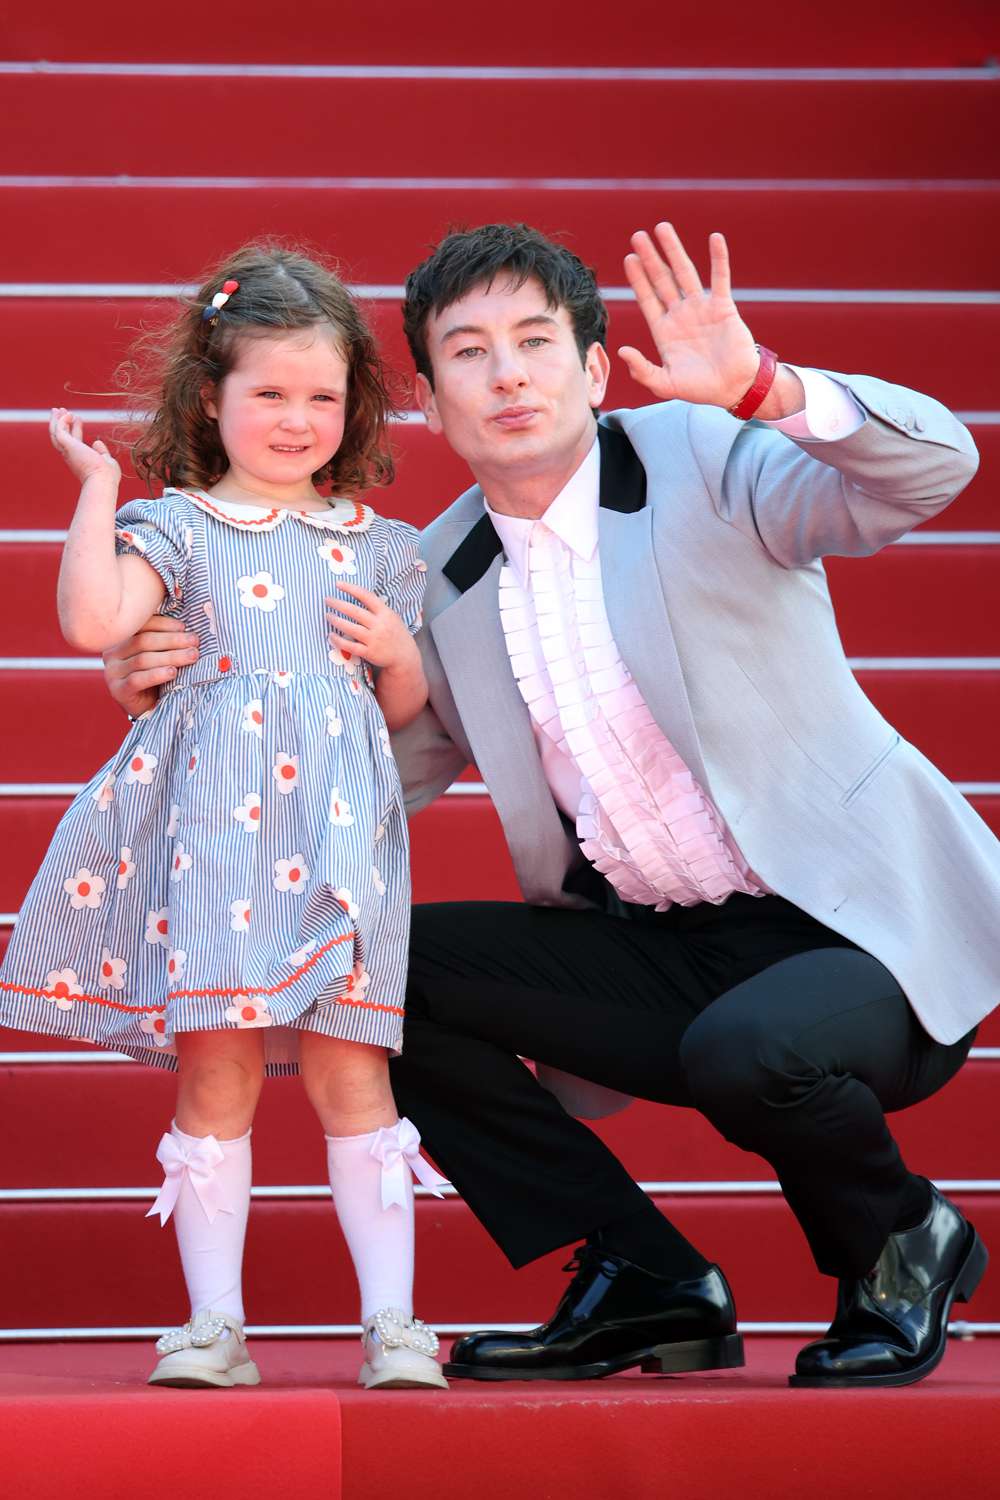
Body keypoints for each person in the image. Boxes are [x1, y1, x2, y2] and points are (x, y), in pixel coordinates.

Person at [104, 222, 999, 1391]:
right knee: (374, 971)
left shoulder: (709, 463)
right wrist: (172, 695)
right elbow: (352, 768)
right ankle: (644, 1277)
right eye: (469, 353)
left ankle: (898, 1241)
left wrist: (763, 388)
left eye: (536, 342)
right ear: (428, 397)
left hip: (863, 928)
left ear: (589, 366)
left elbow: (936, 467)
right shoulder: (434, 575)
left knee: (752, 1049)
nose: (508, 374)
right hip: (662, 946)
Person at [0, 244, 449, 1392]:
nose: (296, 420)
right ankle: (213, 1324)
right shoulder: (182, 529)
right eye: (269, 394)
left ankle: (393, 1323)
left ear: (351, 406)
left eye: (321, 396)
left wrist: (399, 655)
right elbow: (97, 621)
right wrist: (100, 493)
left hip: (342, 847)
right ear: (212, 396)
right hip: (216, 850)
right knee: (219, 1074)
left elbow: (402, 715)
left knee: (358, 1075)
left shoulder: (382, 550)